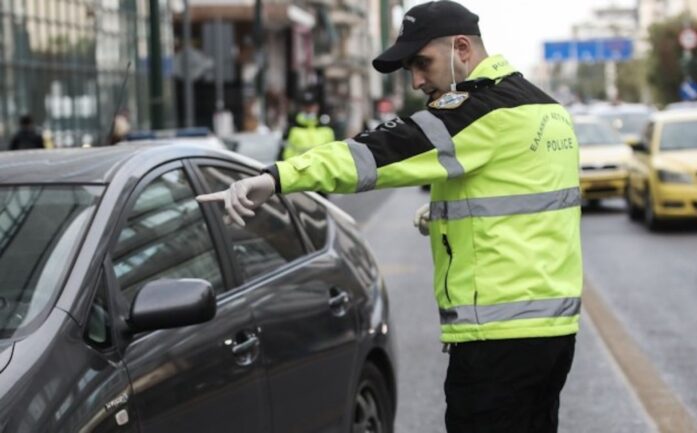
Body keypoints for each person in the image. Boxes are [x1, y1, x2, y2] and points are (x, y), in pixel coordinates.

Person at [197, 2, 582, 432]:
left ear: (462, 48)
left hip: (499, 339)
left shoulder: (479, 111)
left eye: (423, 63)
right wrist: (446, 214)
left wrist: (277, 178)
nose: (417, 80)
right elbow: (527, 201)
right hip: (554, 332)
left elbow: (376, 154)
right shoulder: (547, 110)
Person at [280, 89, 335, 160]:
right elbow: (285, 154)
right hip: (299, 169)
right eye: (306, 106)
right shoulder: (293, 128)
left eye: (311, 106)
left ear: (317, 107)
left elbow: (332, 154)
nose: (309, 109)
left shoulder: (327, 129)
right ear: (301, 107)